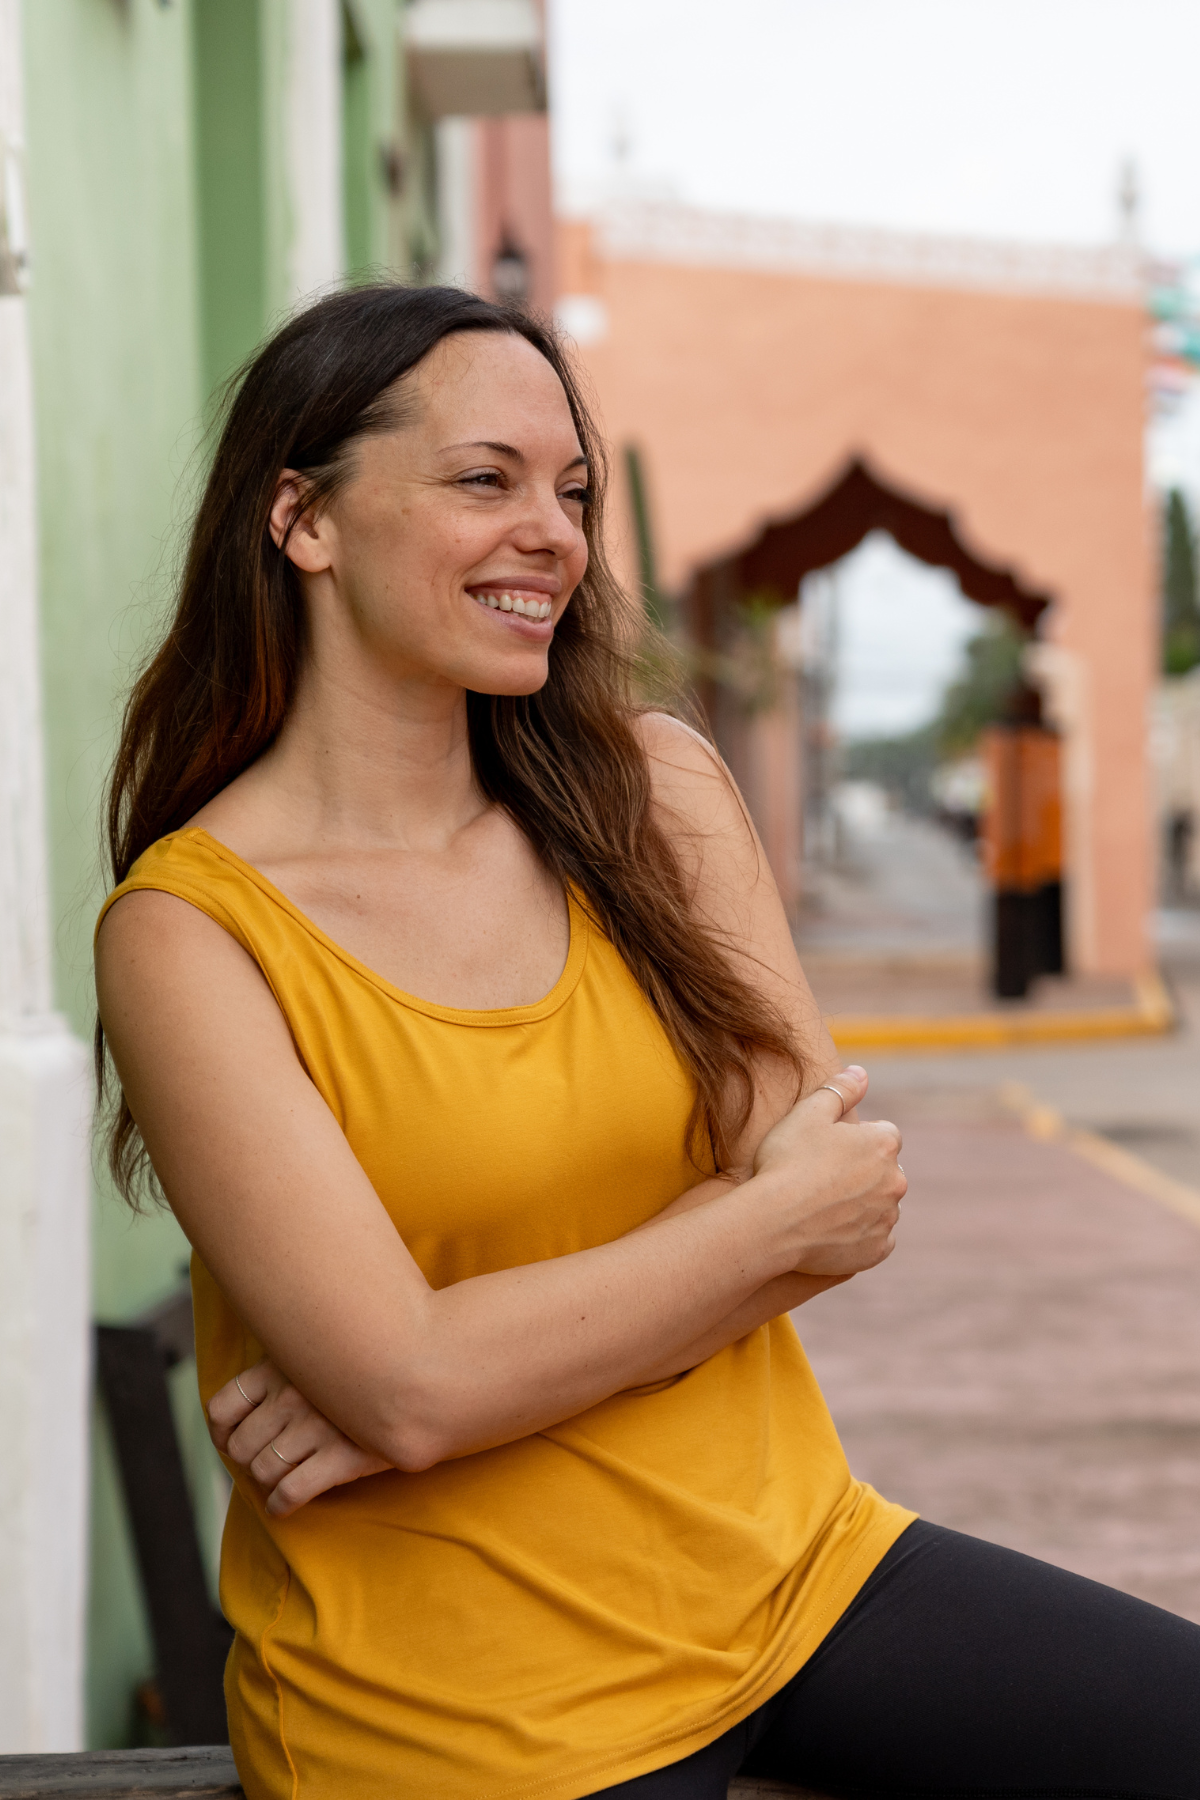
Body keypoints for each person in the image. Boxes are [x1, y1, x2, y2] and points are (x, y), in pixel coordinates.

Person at [95, 286, 1200, 1800]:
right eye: (484, 479)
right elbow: (414, 1388)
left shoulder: (651, 795)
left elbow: (837, 1199)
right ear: (304, 517)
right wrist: (426, 1387)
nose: (551, 533)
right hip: (462, 1711)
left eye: (573, 493)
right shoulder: (192, 931)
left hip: (796, 1575)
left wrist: (466, 1366)